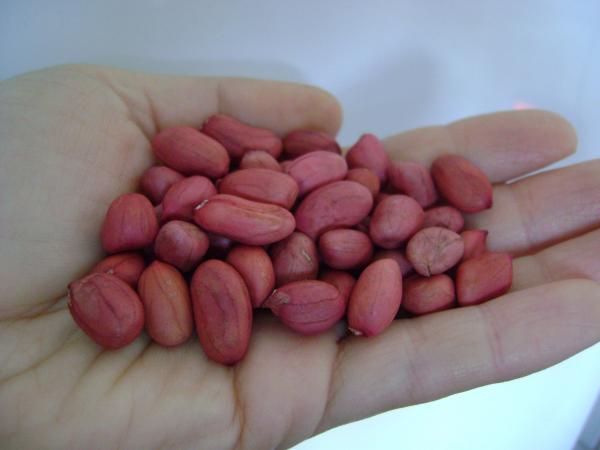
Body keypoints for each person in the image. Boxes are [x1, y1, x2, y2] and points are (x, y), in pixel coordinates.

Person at [0, 65, 599, 450]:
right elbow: (276, 221)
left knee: (312, 239)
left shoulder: (333, 232)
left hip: (280, 253)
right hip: (253, 253)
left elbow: (310, 225)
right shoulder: (195, 233)